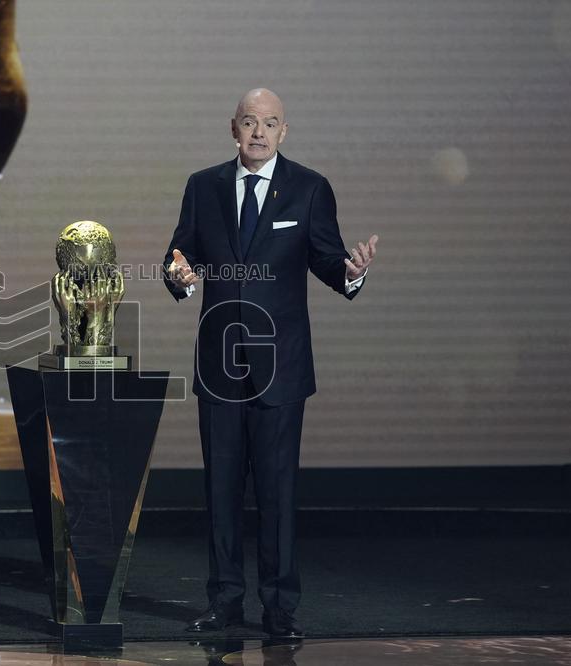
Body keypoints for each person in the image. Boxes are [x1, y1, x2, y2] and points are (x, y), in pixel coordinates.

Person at [163, 88, 378, 639]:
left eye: (270, 123)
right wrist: (179, 278)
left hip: (281, 366)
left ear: (285, 132)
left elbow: (328, 261)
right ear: (233, 129)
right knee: (221, 493)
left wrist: (352, 270)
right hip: (220, 364)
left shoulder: (309, 189)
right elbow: (179, 256)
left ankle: (280, 608)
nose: (259, 132)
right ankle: (224, 602)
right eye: (249, 122)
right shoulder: (202, 187)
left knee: (278, 494)